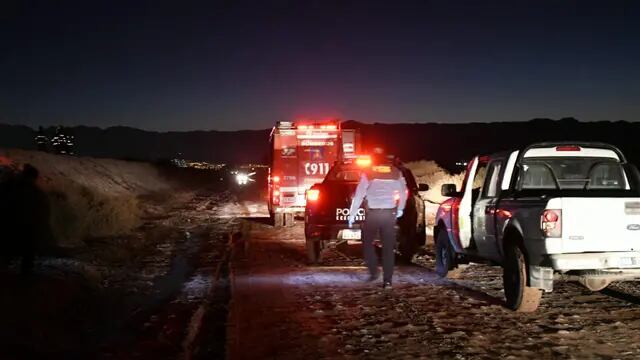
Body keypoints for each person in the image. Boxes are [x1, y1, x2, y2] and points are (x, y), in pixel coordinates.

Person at [347, 148, 408, 289]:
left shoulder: (368, 172)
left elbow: (359, 195)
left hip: (373, 214)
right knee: (388, 248)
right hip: (389, 214)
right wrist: (400, 209)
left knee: (367, 243)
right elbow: (403, 193)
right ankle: (388, 281)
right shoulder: (396, 172)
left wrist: (352, 214)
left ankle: (374, 272)